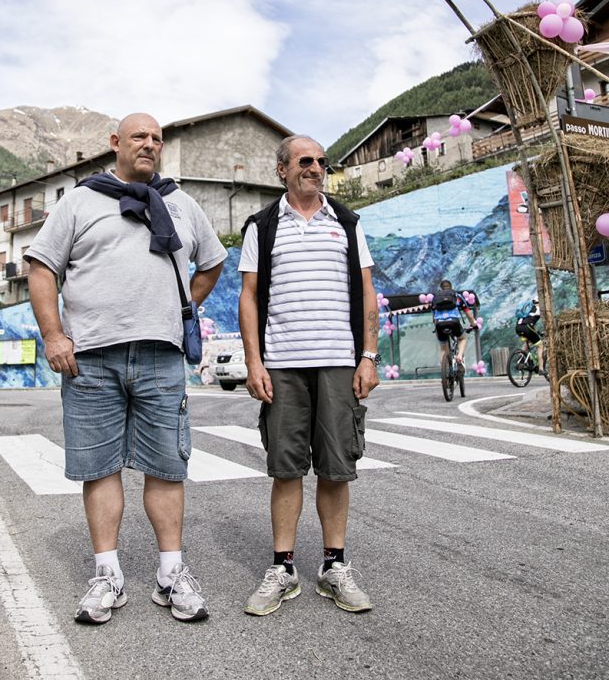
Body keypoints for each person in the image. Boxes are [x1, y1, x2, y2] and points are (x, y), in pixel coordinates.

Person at [25, 113, 227, 626]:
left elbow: (212, 262)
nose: (150, 144)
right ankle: (107, 576)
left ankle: (171, 574)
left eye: (157, 138)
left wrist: (183, 309)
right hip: (91, 356)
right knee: (99, 467)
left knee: (166, 465)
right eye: (139, 136)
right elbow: (42, 267)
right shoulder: (80, 201)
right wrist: (53, 335)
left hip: (161, 355)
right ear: (115, 142)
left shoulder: (181, 203)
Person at [238, 134, 380, 618]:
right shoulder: (263, 226)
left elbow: (367, 291)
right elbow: (249, 297)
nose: (315, 167)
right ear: (282, 169)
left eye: (321, 161)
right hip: (282, 364)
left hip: (339, 361)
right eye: (304, 160)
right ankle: (283, 568)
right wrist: (254, 362)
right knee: (285, 468)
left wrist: (368, 356)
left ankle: (333, 566)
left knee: (337, 468)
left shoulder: (347, 222)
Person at [430, 280, 478, 369]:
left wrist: (437, 328)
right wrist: (474, 325)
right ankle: (459, 356)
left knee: (443, 350)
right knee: (462, 338)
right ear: (451, 287)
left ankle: (444, 369)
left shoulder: (435, 298)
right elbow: (468, 314)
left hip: (439, 324)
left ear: (441, 288)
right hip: (453, 322)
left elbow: (434, 318)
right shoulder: (456, 296)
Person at [515, 297, 542, 371]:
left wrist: (536, 331)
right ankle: (541, 369)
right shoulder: (538, 309)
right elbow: (530, 324)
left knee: (528, 342)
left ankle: (520, 360)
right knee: (540, 346)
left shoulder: (528, 309)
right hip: (527, 327)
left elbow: (531, 323)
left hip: (518, 327)